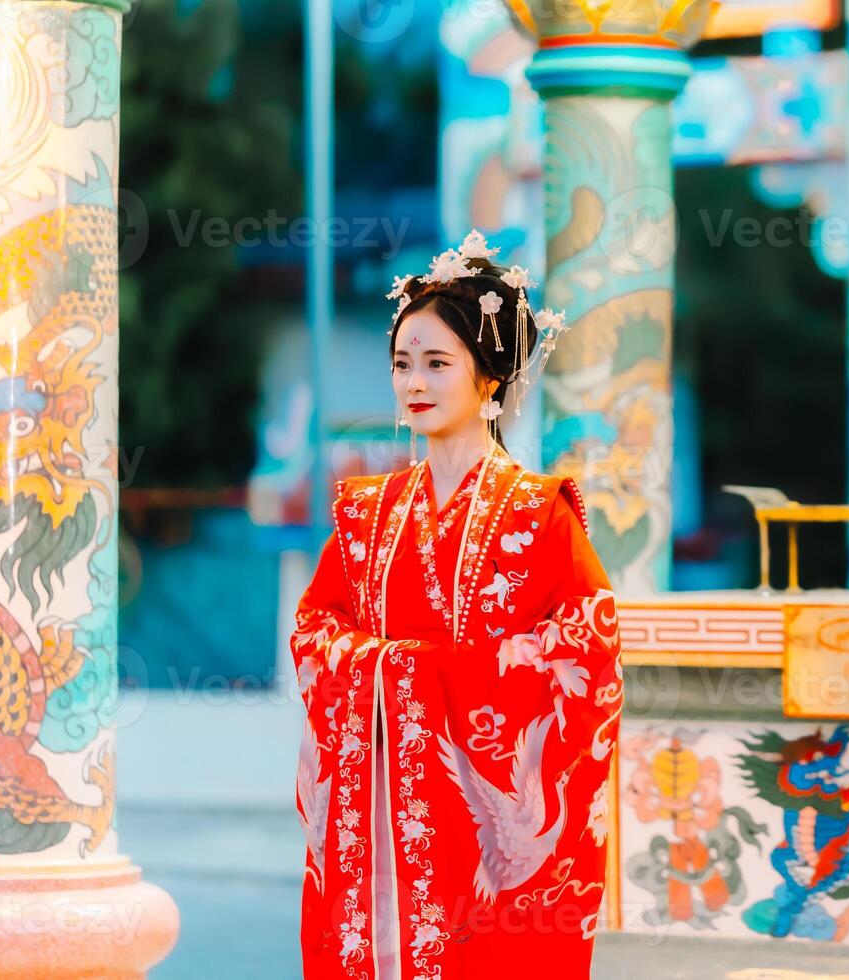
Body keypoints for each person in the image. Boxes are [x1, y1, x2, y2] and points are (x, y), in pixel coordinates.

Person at [290, 230, 622, 979]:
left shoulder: (540, 514)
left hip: (478, 829)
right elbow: (315, 632)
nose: (415, 381)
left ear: (490, 379)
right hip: (374, 816)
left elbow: (584, 657)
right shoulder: (364, 514)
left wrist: (412, 676)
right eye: (403, 363)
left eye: (438, 363)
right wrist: (405, 672)